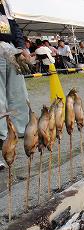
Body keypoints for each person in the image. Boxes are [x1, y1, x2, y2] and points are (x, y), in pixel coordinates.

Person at [0, 0, 29, 168]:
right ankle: (1, 138)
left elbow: (14, 25)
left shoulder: (5, 4)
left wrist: (20, 47)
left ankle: (20, 133)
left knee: (19, 94)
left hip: (10, 48)